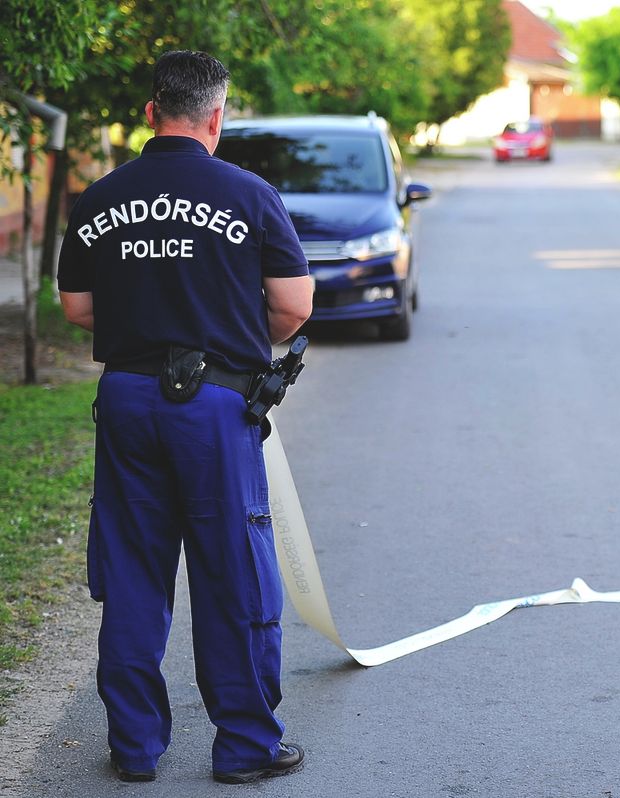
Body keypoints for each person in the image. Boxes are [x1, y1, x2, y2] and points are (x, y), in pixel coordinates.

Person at [56, 50, 313, 784]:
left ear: (149, 112)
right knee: (232, 573)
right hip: (214, 405)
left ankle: (134, 749)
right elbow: (294, 306)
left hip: (130, 398)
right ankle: (246, 748)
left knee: (134, 572)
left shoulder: (99, 198)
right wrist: (228, 334)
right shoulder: (248, 193)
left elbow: (77, 307)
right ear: (216, 116)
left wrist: (145, 320)